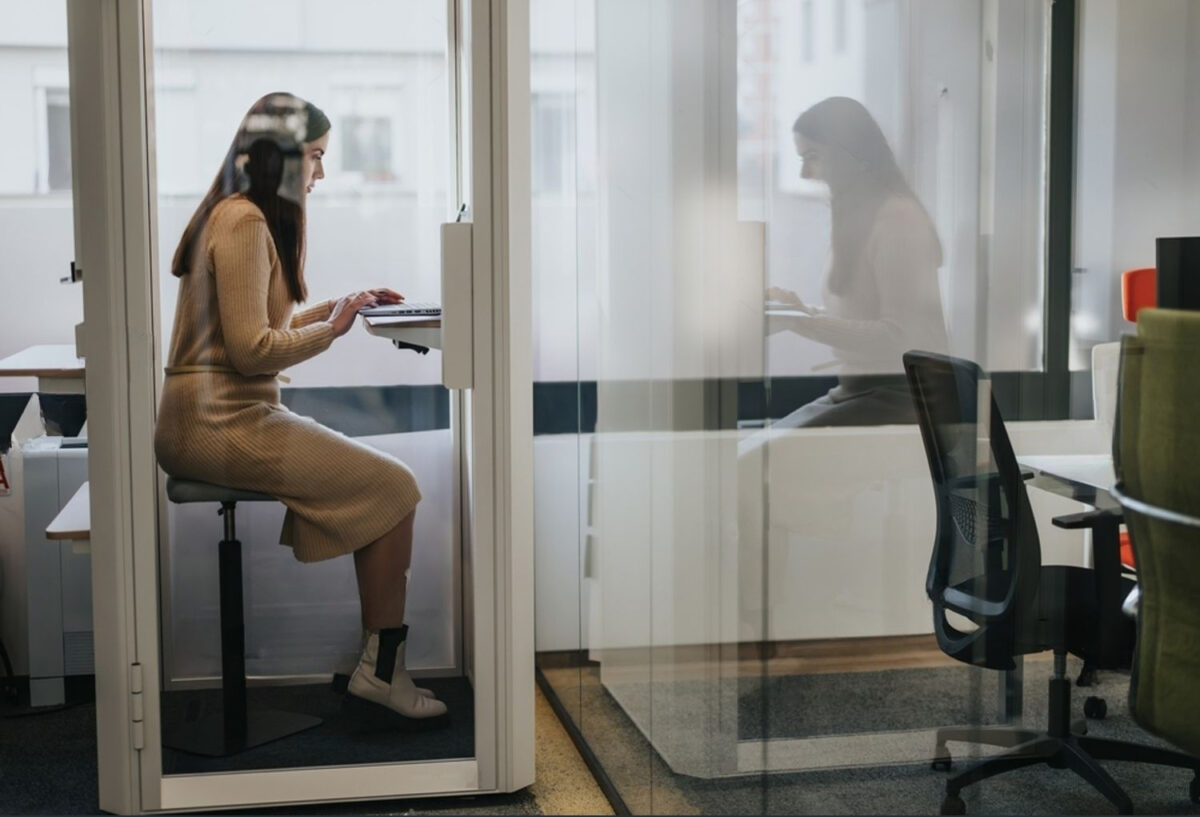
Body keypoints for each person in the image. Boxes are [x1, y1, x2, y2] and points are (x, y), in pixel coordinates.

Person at [154, 92, 445, 720]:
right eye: (315, 157)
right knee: (396, 487)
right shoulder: (244, 223)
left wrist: (346, 305)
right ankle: (382, 672)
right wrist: (334, 330)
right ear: (282, 158)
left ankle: (377, 665)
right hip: (214, 421)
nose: (320, 173)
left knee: (390, 487)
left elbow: (255, 328)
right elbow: (256, 351)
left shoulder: (238, 215)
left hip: (222, 411)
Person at [765, 96, 948, 427]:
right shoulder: (861, 218)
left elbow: (901, 336)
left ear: (852, 154)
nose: (805, 173)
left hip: (901, 399)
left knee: (760, 465)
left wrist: (803, 323)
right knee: (757, 453)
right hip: (860, 391)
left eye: (813, 157)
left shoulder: (898, 219)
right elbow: (861, 317)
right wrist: (799, 312)